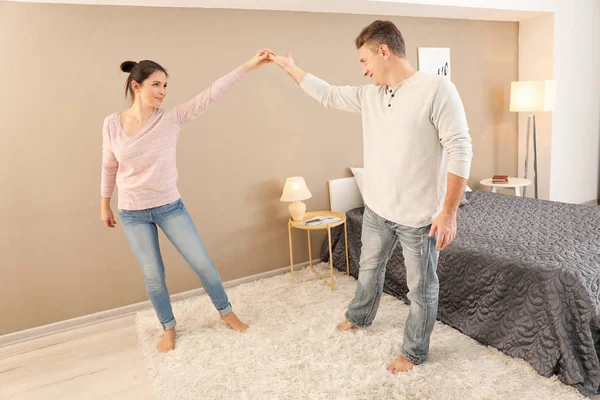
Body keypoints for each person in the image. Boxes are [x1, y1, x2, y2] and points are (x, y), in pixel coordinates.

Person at [268, 21, 473, 373]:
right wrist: (291, 67)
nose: (363, 70)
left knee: (421, 290)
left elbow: (460, 149)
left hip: (418, 217)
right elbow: (328, 94)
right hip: (378, 209)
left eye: (365, 61)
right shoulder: (371, 95)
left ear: (384, 51)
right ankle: (360, 316)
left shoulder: (437, 89)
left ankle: (413, 352)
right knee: (369, 271)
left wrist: (449, 213)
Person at [100, 50, 273, 352]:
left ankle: (226, 313)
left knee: (203, 264)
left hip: (169, 207)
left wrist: (249, 65)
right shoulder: (112, 124)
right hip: (132, 212)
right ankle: (168, 328)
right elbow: (109, 165)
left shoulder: (171, 119)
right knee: (153, 276)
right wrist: (104, 204)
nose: (163, 92)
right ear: (136, 86)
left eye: (165, 86)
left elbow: (212, 94)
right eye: (156, 85)